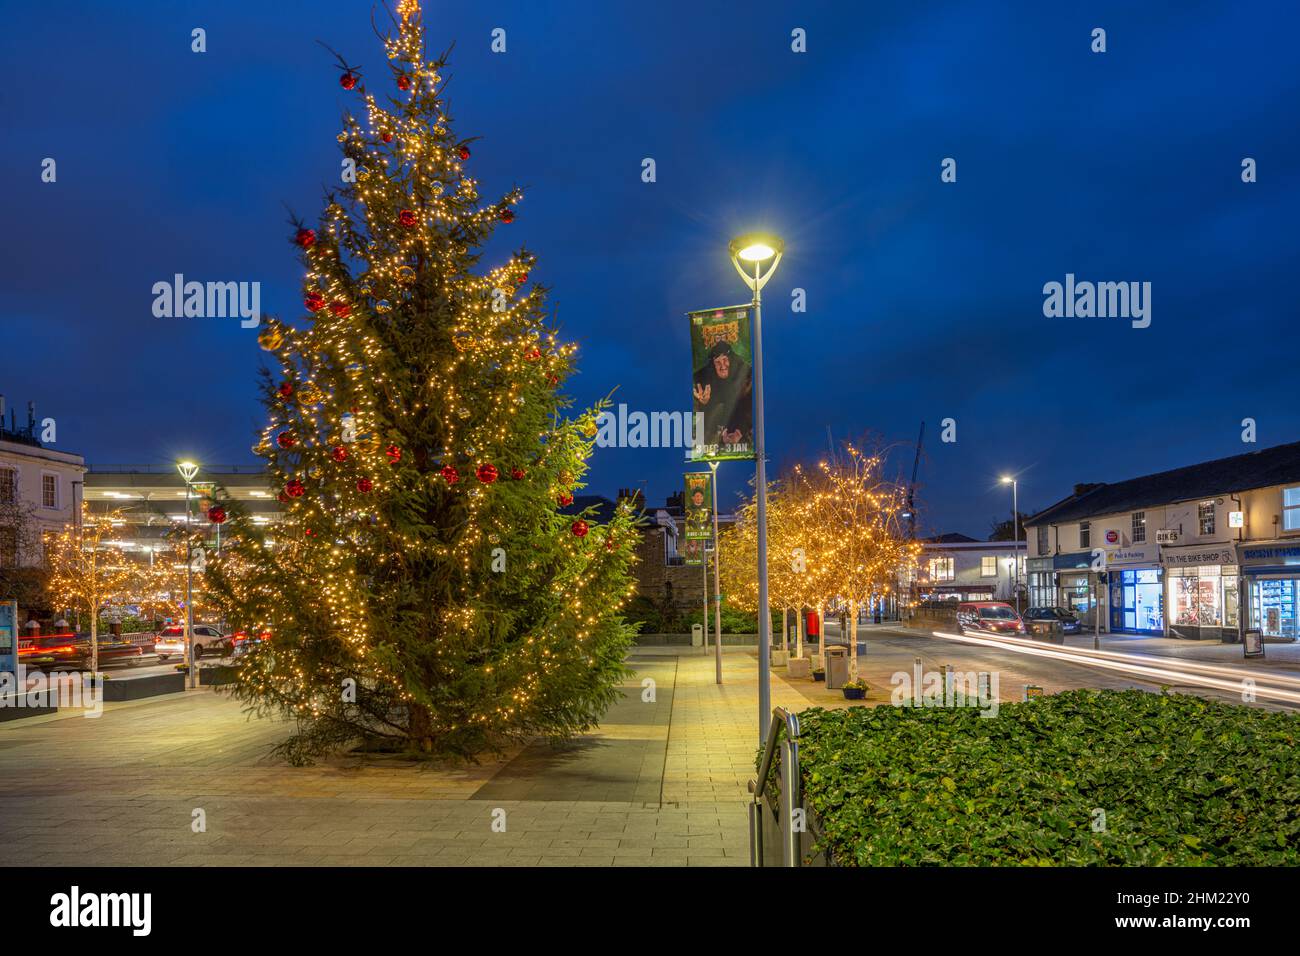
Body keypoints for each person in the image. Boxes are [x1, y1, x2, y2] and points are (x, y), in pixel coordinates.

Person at [692, 340, 752, 450]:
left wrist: (740, 432)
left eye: (725, 360)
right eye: (717, 362)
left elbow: (749, 410)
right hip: (714, 440)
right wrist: (703, 404)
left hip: (741, 435)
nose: (722, 365)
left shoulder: (745, 377)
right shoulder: (704, 382)